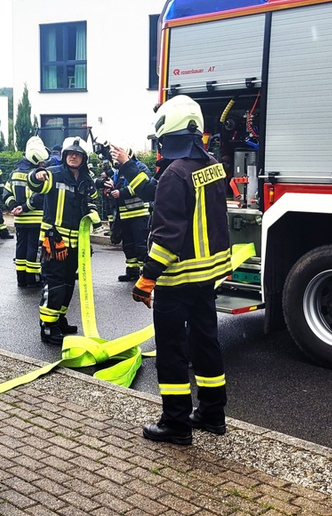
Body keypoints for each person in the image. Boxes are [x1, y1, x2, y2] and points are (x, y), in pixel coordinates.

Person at [131, 95, 232, 445]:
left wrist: (147, 279)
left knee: (172, 352)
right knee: (206, 343)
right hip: (207, 277)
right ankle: (212, 414)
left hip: (176, 280)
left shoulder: (174, 174)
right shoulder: (213, 166)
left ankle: (175, 423)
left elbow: (167, 237)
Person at [27, 137, 100, 344]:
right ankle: (48, 327)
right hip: (54, 244)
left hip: (77, 245)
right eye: (70, 153)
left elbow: (92, 202)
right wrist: (36, 174)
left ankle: (59, 320)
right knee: (55, 285)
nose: (73, 156)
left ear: (84, 158)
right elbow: (34, 184)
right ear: (65, 155)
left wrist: (93, 216)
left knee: (68, 285)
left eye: (77, 154)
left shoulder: (86, 180)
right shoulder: (53, 174)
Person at [100, 145, 153, 282]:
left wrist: (121, 192)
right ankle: (132, 271)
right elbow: (118, 186)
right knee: (128, 246)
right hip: (124, 215)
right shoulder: (119, 171)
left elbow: (144, 187)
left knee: (141, 245)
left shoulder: (140, 167)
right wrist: (111, 190)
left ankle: (144, 273)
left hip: (139, 214)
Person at [4, 136, 47, 287]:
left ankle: (21, 279)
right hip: (36, 219)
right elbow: (39, 197)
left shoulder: (15, 173)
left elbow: (6, 193)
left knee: (20, 248)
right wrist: (25, 207)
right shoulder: (39, 174)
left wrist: (13, 206)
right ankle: (33, 279)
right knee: (33, 249)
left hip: (20, 220)